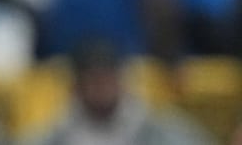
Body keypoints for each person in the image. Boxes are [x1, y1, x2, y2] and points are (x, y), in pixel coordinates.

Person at [22, 37, 214, 145]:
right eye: (94, 81)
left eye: (108, 79)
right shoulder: (53, 135)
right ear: (76, 88)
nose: (102, 88)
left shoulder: (161, 130)